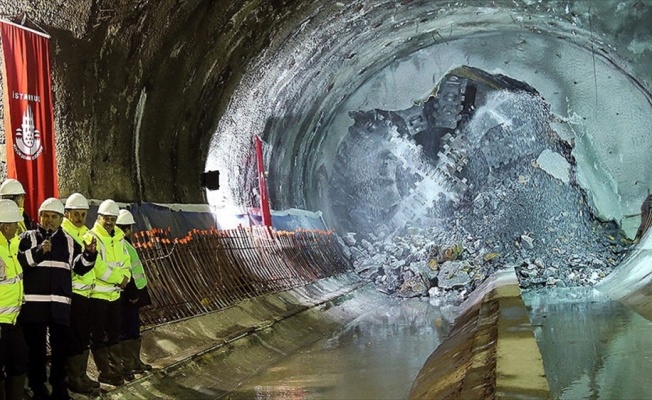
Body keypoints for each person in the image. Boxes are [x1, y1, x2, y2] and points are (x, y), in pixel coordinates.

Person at [17, 198, 97, 400]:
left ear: (62, 219)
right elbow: (19, 263)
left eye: (54, 217)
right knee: (36, 351)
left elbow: (79, 267)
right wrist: (39, 252)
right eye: (46, 216)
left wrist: (90, 254)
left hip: (60, 306)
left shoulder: (70, 241)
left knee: (60, 350)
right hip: (34, 307)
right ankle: (38, 387)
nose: (49, 221)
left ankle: (59, 386)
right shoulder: (28, 238)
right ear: (39, 216)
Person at [85, 199, 131, 386]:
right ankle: (105, 372)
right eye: (107, 218)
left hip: (115, 296)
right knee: (98, 336)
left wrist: (126, 276)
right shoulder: (91, 237)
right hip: (98, 296)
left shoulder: (119, 238)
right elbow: (97, 267)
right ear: (99, 218)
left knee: (114, 334)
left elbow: (125, 261)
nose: (110, 222)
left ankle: (115, 369)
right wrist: (119, 279)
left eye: (113, 218)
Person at [61, 193, 100, 394]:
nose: (79, 218)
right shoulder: (64, 234)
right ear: (67, 214)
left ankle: (82, 374)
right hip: (73, 294)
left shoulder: (86, 233)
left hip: (87, 294)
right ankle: (74, 377)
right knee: (75, 337)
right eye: (75, 214)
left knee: (84, 336)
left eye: (83, 215)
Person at [116, 209, 152, 376]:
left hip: (132, 293)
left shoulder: (124, 242)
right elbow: (127, 270)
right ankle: (128, 363)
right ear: (128, 227)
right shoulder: (121, 243)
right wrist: (132, 294)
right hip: (128, 295)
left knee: (133, 328)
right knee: (127, 328)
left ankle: (134, 361)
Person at [0, 199, 28, 400]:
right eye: (15, 225)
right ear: (5, 227)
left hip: (13, 319)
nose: (18, 228)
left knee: (19, 361)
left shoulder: (11, 245)